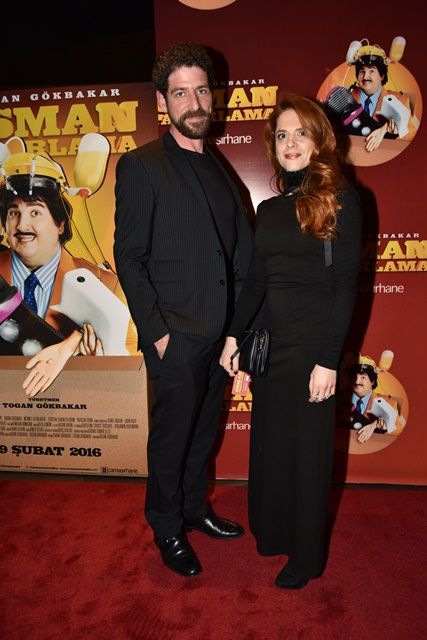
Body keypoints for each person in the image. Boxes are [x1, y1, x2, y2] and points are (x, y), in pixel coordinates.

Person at [113, 42, 253, 578]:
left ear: (212, 96)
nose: (193, 103)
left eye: (200, 91)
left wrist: (236, 330)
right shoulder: (143, 166)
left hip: (218, 336)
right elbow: (129, 257)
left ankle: (195, 508)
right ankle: (166, 525)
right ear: (162, 101)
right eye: (180, 93)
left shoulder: (218, 165)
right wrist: (158, 333)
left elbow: (232, 254)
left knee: (201, 434)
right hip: (175, 334)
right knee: (172, 438)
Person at [220, 92, 362, 589]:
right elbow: (257, 282)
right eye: (282, 135)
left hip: (312, 351)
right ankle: (275, 532)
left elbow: (346, 287)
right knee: (274, 447)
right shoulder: (270, 208)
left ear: (319, 139)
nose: (290, 143)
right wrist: (233, 335)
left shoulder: (340, 199)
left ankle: (306, 557)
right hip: (273, 350)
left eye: (301, 132)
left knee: (308, 457)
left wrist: (328, 360)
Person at [0, 173, 124, 395]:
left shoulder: (104, 284)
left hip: (72, 407)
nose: (22, 224)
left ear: (60, 224)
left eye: (35, 212)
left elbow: (127, 368)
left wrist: (89, 356)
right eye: (14, 213)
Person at [348, 47, 418, 152]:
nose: (365, 77)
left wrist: (390, 131)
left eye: (372, 71)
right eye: (362, 71)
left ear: (382, 76)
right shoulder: (346, 97)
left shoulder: (399, 99)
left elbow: (412, 132)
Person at [348, 362, 405, 443]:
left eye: (363, 377)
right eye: (354, 377)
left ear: (372, 381)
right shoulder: (340, 399)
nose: (357, 381)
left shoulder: (388, 402)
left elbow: (399, 429)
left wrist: (376, 425)